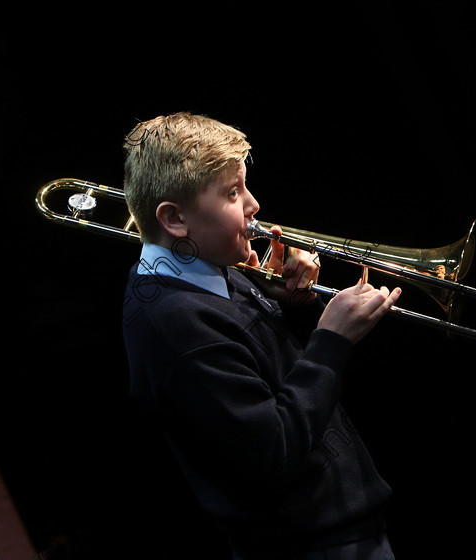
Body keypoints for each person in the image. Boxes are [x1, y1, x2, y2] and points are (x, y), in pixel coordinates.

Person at [120, 112, 401, 559]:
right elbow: (272, 455)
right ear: (174, 219)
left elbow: (274, 374)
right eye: (233, 193)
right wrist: (332, 341)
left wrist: (290, 307)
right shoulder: (174, 321)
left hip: (342, 530)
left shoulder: (210, 271)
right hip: (308, 546)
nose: (253, 205)